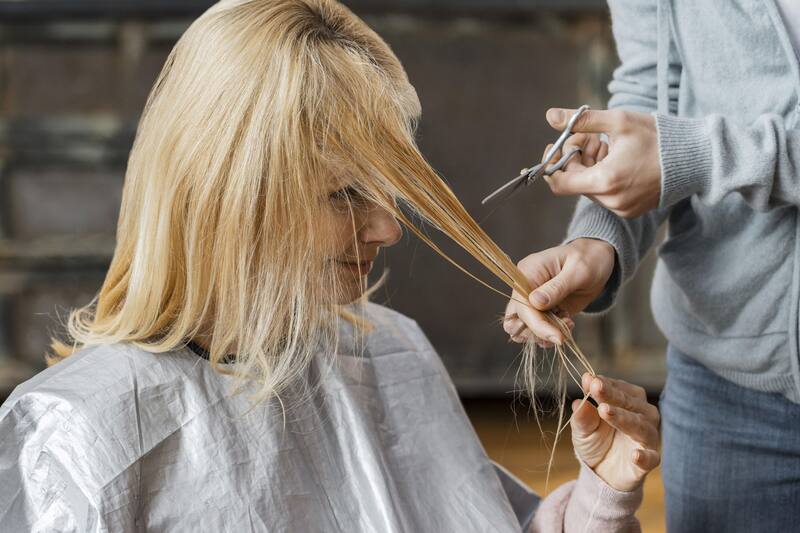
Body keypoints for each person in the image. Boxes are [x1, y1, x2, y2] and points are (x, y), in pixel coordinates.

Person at [0, 1, 660, 531]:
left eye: (387, 190)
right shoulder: (75, 439)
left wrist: (602, 493)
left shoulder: (388, 350)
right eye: (344, 193)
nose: (388, 227)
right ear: (225, 197)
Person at [504, 0, 800, 531]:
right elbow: (654, 93)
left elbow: (679, 148)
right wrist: (598, 240)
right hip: (724, 381)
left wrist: (698, 157)